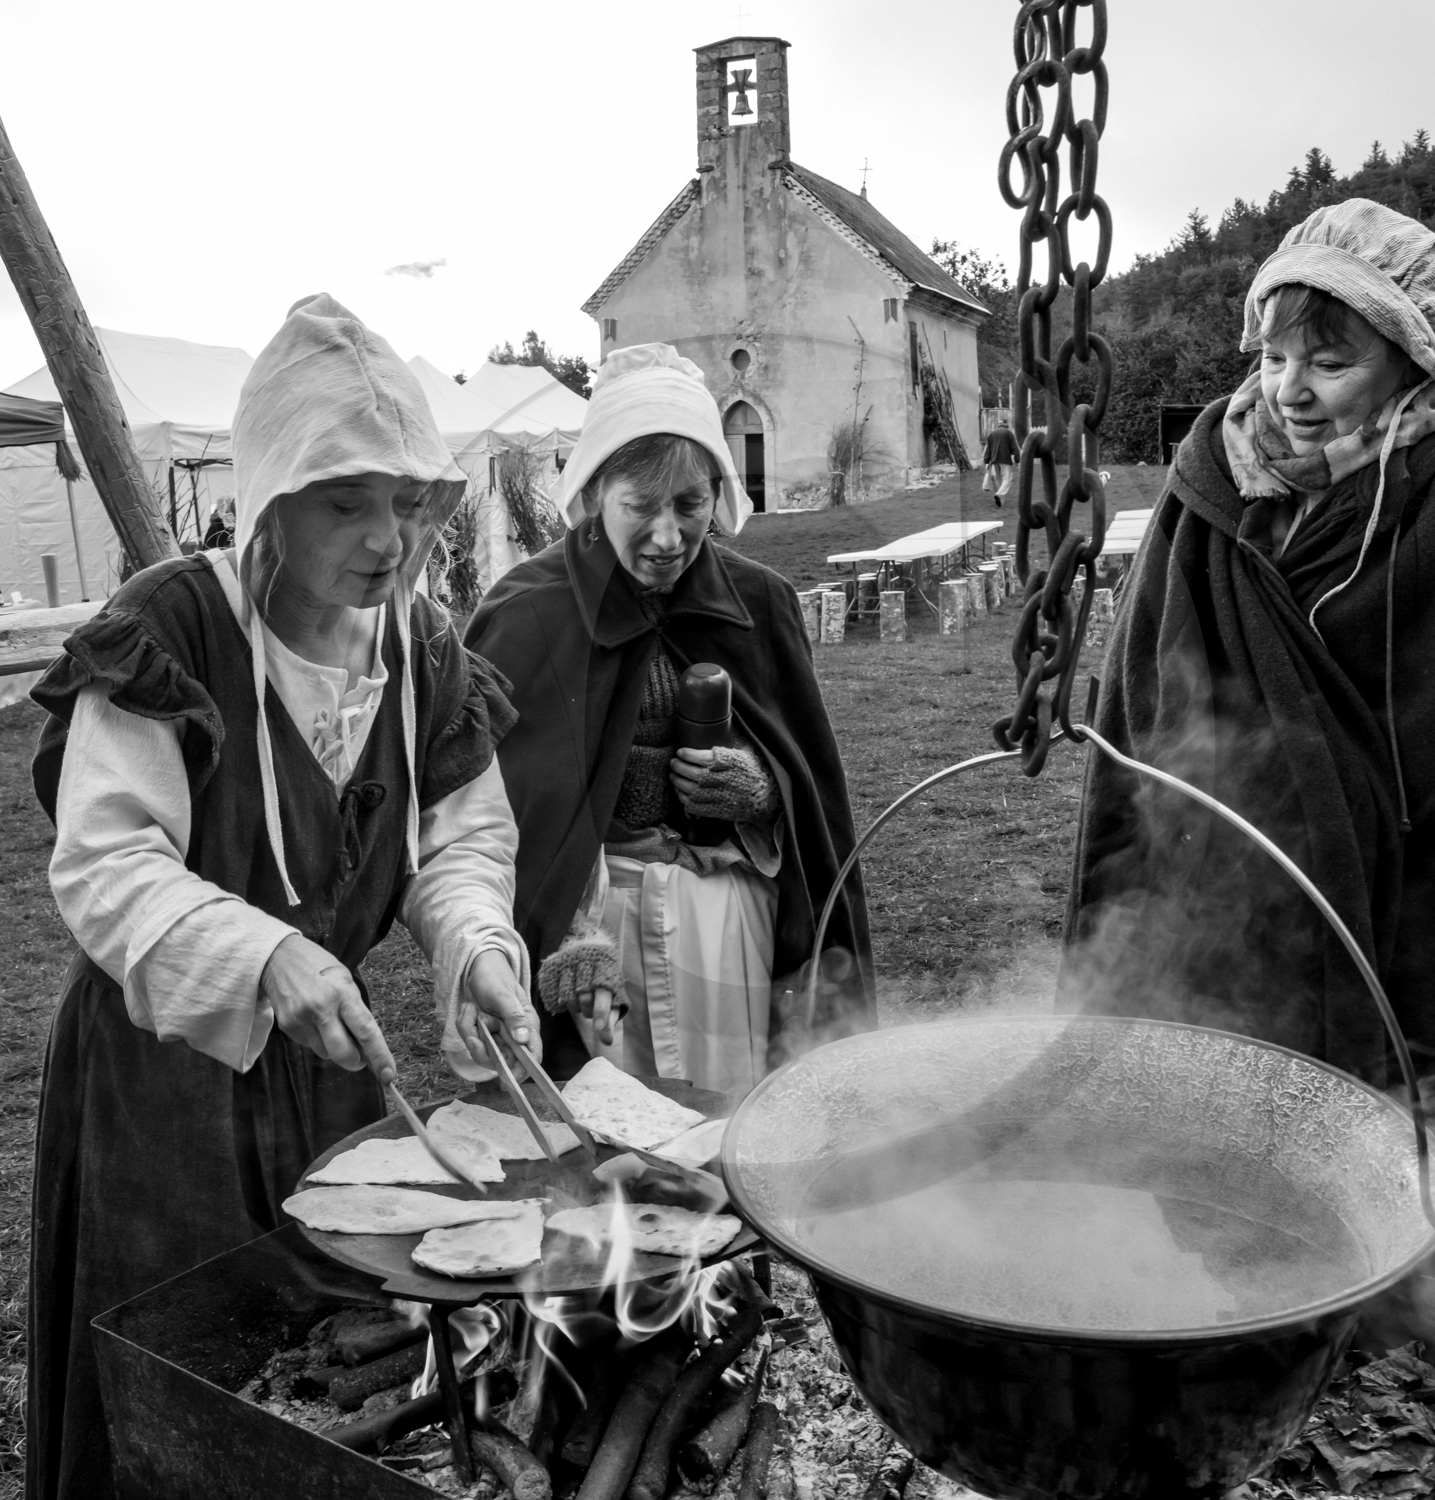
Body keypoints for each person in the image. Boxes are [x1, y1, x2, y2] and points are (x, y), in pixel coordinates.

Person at [25, 295, 541, 1500]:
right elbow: (106, 863)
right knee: (184, 1378)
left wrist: (477, 950)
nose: (386, 540)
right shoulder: (171, 630)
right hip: (162, 1082)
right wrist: (263, 957)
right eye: (347, 501)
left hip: (329, 1079)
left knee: (330, 1374)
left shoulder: (421, 649)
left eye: (409, 505)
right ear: (271, 497)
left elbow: (459, 839)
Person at [1067, 199, 1435, 1091]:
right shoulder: (1206, 495)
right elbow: (1138, 707)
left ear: (1414, 364)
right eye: (1272, 357)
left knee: (1396, 1185)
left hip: (1403, 942)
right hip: (1215, 917)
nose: (1288, 391)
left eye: (1331, 363)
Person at [465, 343, 874, 1094]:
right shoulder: (527, 615)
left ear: (718, 493)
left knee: (735, 1130)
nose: (666, 536)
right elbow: (490, 820)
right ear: (594, 494)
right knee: (603, 1152)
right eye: (640, 506)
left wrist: (764, 793)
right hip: (595, 937)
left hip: (730, 927)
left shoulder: (759, 605)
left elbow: (814, 796)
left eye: (689, 505)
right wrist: (573, 936)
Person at [981, 421, 1019, 501]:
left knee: (998, 479)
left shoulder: (992, 434)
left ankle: (1000, 500)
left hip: (994, 460)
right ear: (1006, 426)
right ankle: (999, 494)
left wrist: (986, 461)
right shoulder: (1008, 433)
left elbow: (988, 449)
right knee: (1007, 479)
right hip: (1005, 459)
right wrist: (1017, 460)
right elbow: (1015, 448)